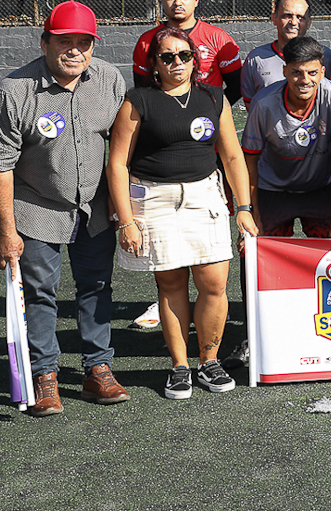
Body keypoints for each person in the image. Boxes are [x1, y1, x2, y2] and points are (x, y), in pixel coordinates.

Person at [0, 1, 130, 415]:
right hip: (36, 208)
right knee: (40, 294)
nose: (75, 50)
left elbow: (124, 146)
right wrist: (6, 232)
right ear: (45, 42)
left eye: (84, 42)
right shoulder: (13, 93)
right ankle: (45, 377)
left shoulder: (108, 80)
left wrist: (123, 203)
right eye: (65, 41)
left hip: (94, 210)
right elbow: (0, 168)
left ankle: (97, 370)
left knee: (97, 288)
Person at [107, 26, 256, 399]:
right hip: (154, 201)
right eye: (167, 57)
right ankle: (179, 366)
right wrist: (127, 220)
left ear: (196, 59)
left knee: (215, 285)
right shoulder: (137, 100)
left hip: (205, 196)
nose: (177, 63)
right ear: (154, 64)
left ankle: (209, 361)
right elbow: (118, 164)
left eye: (184, 55)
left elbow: (233, 155)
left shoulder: (214, 97)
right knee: (171, 286)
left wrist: (243, 207)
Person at [242, 36, 331, 240]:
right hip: (273, 189)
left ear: (322, 72)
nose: (305, 80)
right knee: (252, 251)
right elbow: (250, 161)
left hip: (321, 187)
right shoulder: (263, 103)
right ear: (285, 71)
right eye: (296, 72)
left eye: (312, 73)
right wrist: (252, 212)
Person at [132, 0, 242, 102]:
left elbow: (237, 86)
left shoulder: (218, 38)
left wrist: (215, 110)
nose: (177, 3)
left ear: (196, 0)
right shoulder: (146, 41)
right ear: (161, 0)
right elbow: (142, 88)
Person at [241, 0, 311, 106]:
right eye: (287, 16)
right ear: (274, 18)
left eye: (300, 17)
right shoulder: (256, 59)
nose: (293, 22)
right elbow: (251, 104)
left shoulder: (323, 57)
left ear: (309, 23)